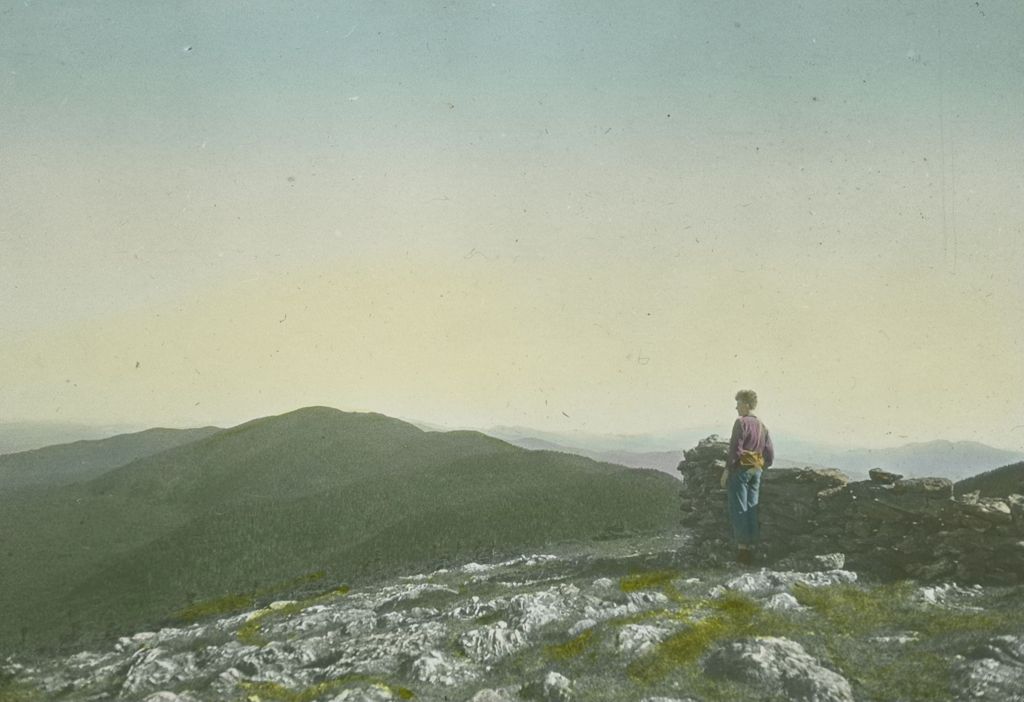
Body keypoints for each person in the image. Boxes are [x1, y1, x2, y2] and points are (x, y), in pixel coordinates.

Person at [725, 389, 774, 565]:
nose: (736, 407)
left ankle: (743, 551)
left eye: (738, 404)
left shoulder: (741, 422)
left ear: (746, 404)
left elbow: (734, 451)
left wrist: (727, 470)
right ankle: (754, 546)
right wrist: (761, 465)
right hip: (757, 469)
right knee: (752, 507)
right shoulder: (762, 425)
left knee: (739, 508)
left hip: (741, 470)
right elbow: (769, 453)